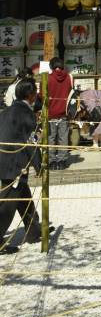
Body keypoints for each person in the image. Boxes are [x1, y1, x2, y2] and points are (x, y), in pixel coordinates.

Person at [0, 79, 42, 252]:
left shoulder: (5, 111)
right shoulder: (26, 114)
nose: (37, 95)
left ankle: (33, 231)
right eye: (35, 92)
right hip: (14, 164)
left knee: (23, 196)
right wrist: (39, 166)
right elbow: (32, 142)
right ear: (30, 95)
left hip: (4, 160)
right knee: (7, 205)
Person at [46, 58, 73, 169]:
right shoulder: (69, 77)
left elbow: (42, 96)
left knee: (50, 138)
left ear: (51, 66)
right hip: (64, 113)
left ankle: (51, 161)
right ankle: (62, 161)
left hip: (50, 113)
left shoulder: (47, 78)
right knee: (63, 137)